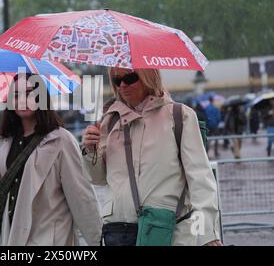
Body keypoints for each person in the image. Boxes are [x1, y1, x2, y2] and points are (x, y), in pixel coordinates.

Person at [82, 68, 222, 246]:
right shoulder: (110, 122)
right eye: (117, 80)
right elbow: (99, 179)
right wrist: (90, 150)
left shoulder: (180, 116)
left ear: (148, 77)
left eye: (130, 78)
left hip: (170, 233)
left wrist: (207, 235)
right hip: (119, 234)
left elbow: (200, 181)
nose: (123, 85)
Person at [0, 74, 102, 246]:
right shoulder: (2, 141)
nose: (22, 100)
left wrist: (97, 239)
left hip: (49, 238)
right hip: (11, 236)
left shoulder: (61, 140)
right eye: (16, 95)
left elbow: (81, 196)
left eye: (29, 93)